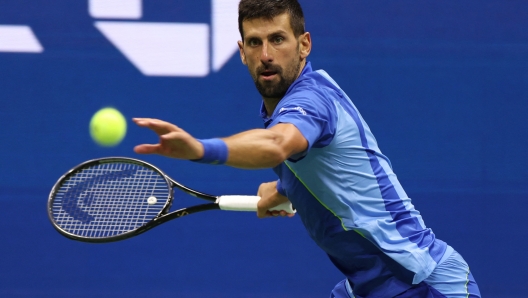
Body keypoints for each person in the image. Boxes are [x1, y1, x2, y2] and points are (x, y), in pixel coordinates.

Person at [133, 0, 481, 297]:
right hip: (370, 285)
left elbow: (277, 145)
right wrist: (288, 190)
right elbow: (325, 172)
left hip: (419, 282)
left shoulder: (311, 100)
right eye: (255, 43)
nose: (266, 55)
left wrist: (199, 150)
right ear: (242, 52)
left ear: (304, 45)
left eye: (278, 39)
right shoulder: (279, 110)